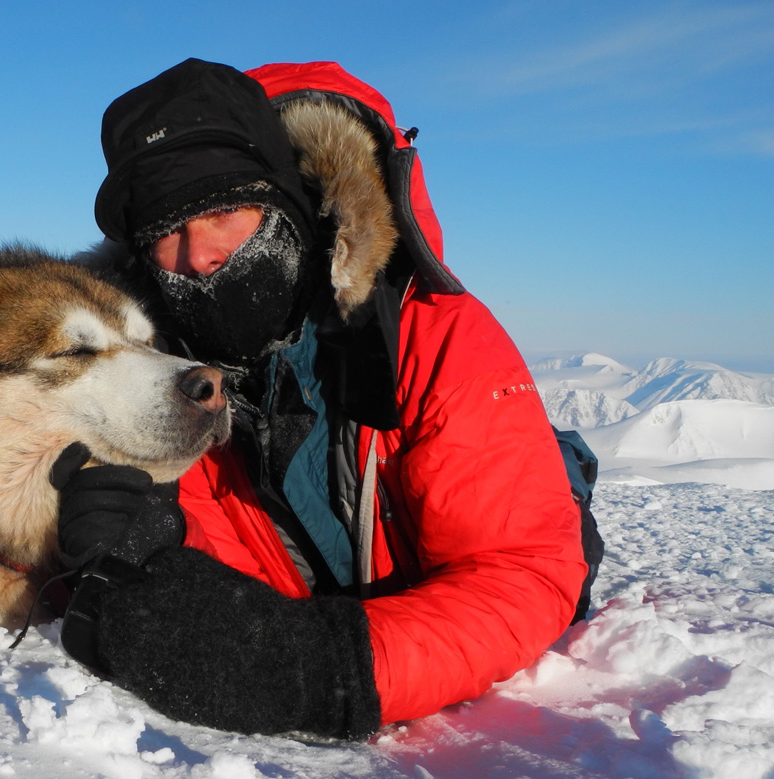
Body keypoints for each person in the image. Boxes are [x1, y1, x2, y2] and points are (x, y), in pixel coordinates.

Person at [51, 59, 589, 741]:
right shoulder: (150, 384)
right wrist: (124, 562)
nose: (198, 255)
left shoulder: (430, 332)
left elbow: (520, 571)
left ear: (289, 205)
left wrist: (324, 672)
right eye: (165, 230)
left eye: (221, 211)